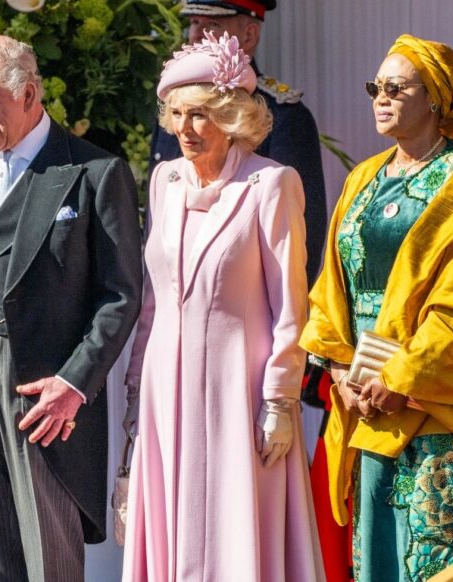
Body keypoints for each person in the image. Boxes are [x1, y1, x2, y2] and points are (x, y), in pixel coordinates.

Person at [300, 35, 453, 581]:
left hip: (434, 393)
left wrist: (401, 374)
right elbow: (333, 287)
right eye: (377, 87)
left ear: (437, 98)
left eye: (397, 87)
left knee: (438, 551)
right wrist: (340, 369)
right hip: (366, 391)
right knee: (379, 547)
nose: (381, 97)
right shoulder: (363, 177)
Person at [0, 35, 142, 581]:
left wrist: (74, 384)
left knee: (48, 553)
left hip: (43, 388)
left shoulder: (95, 172)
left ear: (28, 93)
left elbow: (121, 296)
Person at [122, 31, 321, 581]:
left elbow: (291, 304)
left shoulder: (272, 184)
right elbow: (151, 302)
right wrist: (137, 395)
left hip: (241, 392)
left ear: (232, 117)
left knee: (238, 535)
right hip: (168, 391)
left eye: (201, 115)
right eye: (177, 114)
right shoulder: (165, 182)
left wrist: (280, 401)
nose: (184, 129)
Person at [149, 0, 327, 282]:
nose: (196, 35)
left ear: (249, 36)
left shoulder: (282, 114)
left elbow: (300, 240)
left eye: (213, 25)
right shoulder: (176, 107)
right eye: (194, 23)